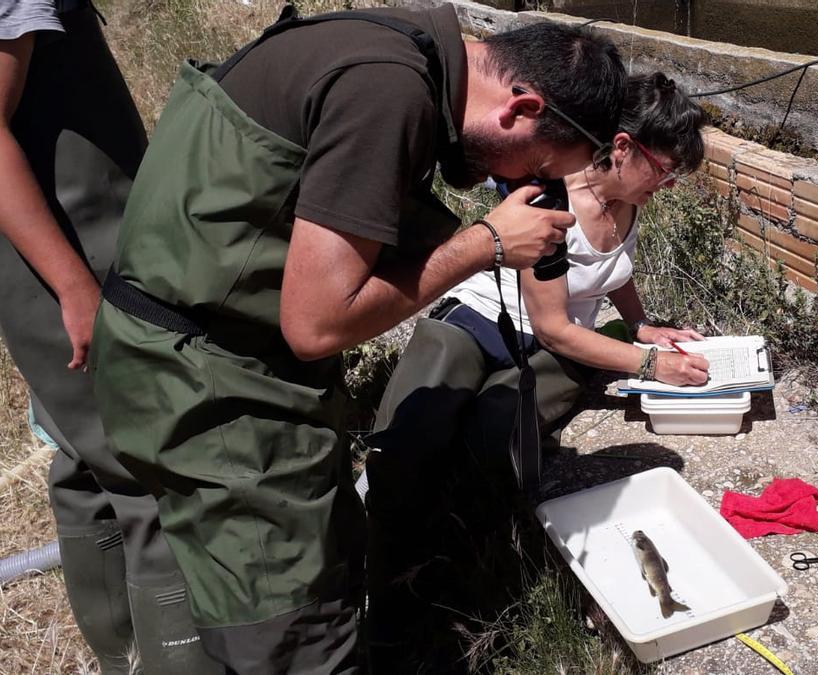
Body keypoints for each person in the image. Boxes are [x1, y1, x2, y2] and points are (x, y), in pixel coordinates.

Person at [88, 4, 626, 671]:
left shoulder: (397, 44)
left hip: (177, 351)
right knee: (294, 634)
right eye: (541, 167)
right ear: (519, 107)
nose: (533, 186)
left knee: (258, 590)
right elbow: (318, 323)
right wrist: (484, 244)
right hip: (211, 390)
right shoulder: (387, 89)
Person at [363, 75, 710, 606]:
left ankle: (455, 561)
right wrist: (649, 364)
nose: (665, 186)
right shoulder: (553, 197)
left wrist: (639, 323)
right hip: (483, 319)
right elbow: (553, 325)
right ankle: (372, 554)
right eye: (663, 170)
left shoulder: (628, 201)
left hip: (554, 351)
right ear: (622, 148)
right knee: (411, 434)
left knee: (489, 445)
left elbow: (613, 269)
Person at [0, 1, 218, 671]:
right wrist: (76, 287)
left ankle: (120, 656)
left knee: (84, 462)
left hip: (48, 254)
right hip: (71, 253)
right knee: (158, 478)